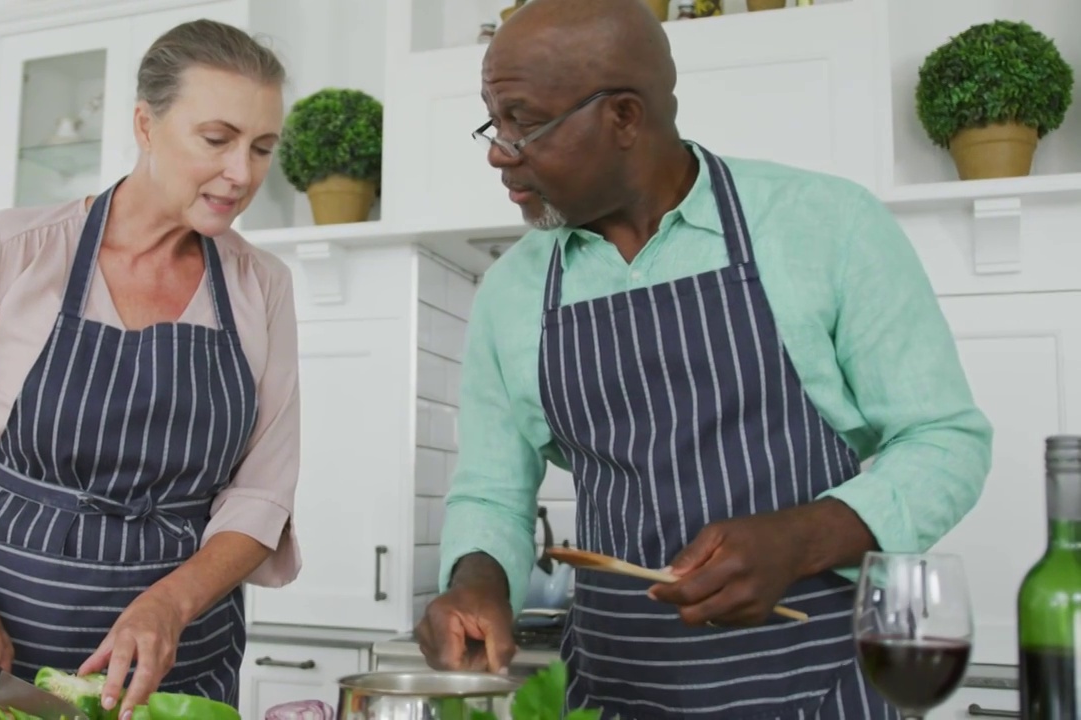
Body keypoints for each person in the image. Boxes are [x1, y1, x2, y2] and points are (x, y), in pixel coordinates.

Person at [415, 0, 993, 717]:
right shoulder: (511, 291)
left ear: (624, 117)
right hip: (614, 692)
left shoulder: (827, 226)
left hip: (822, 688)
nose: (499, 151)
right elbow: (492, 492)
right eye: (493, 122)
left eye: (525, 122)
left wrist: (803, 538)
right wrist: (477, 582)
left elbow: (946, 442)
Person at [0, 18, 302, 716]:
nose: (241, 173)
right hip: (1, 642)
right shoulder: (15, 248)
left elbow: (263, 497)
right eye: (216, 140)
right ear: (145, 125)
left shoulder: (261, 285)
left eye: (262, 148)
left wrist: (169, 605)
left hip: (176, 659)